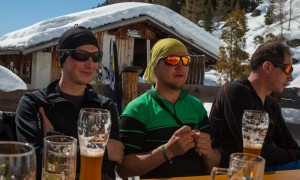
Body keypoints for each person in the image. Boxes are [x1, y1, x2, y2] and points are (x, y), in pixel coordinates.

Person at [15, 25, 124, 180]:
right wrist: (102, 151)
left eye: (96, 56)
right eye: (81, 55)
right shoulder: (34, 103)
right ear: (62, 59)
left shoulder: (104, 107)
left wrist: (54, 140)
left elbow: (111, 162)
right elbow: (34, 161)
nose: (90, 63)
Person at [116, 38, 220, 179]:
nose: (180, 66)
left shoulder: (196, 106)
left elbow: (213, 165)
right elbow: (123, 169)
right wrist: (168, 150)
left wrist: (208, 153)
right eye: (172, 60)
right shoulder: (137, 109)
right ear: (155, 67)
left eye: (185, 60)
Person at [209, 41, 300, 171]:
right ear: (267, 67)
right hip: (233, 172)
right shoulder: (235, 91)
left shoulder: (271, 106)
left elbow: (289, 146)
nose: (290, 77)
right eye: (287, 69)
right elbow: (254, 153)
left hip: (261, 169)